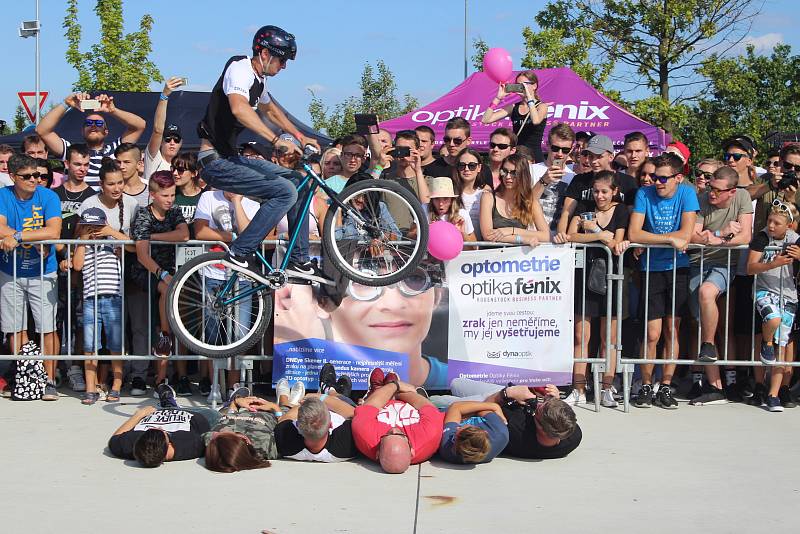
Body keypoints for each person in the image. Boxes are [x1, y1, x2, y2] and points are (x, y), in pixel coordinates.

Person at [195, 25, 323, 281]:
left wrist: (300, 136)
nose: (284, 67)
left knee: (299, 182)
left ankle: (298, 259)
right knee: (285, 191)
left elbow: (272, 111)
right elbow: (240, 110)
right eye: (282, 59)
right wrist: (276, 140)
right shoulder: (239, 69)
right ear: (264, 53)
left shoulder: (258, 80)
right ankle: (240, 251)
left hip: (231, 158)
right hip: (214, 162)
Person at [626, 153, 699, 409]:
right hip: (651, 269)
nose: (657, 182)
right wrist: (669, 240)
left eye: (663, 178)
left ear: (678, 178)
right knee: (652, 332)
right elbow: (634, 232)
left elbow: (687, 233)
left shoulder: (687, 193)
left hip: (678, 269)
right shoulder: (644, 194)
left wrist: (653, 239)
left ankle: (666, 385)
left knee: (672, 329)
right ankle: (646, 383)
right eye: (655, 177)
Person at [555, 171, 629, 407]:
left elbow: (615, 242)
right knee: (581, 336)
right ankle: (579, 388)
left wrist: (594, 230)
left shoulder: (622, 211)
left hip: (613, 277)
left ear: (614, 191)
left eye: (605, 191)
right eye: (596, 191)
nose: (599, 196)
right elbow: (570, 235)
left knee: (610, 338)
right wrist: (599, 235)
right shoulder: (584, 206)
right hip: (585, 276)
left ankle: (607, 388)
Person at [684, 166, 753, 406]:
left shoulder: (743, 197)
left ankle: (711, 347)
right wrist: (721, 233)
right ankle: (716, 386)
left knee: (707, 293)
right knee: (702, 321)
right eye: (710, 187)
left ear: (732, 192)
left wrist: (718, 240)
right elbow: (693, 235)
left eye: (717, 190)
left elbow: (746, 236)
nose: (710, 192)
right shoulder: (701, 198)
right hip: (697, 262)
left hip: (725, 264)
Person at [73, 159, 138, 404]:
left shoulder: (115, 234)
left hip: (115, 295)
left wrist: (111, 232)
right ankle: (91, 387)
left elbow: (134, 247)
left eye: (120, 182)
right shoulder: (84, 240)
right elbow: (77, 265)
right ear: (101, 185)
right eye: (111, 183)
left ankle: (116, 385)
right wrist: (83, 238)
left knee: (115, 342)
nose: (117, 187)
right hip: (90, 297)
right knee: (90, 344)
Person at [0, 154, 62, 400]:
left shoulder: (49, 196)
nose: (35, 180)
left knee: (47, 327)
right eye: (27, 176)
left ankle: (49, 381)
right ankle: (26, 377)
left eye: (37, 175)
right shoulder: (4, 195)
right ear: (13, 177)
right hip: (9, 271)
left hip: (43, 271)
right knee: (15, 329)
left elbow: (54, 230)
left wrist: (16, 237)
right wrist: (27, 235)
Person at [192, 187, 261, 395]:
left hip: (243, 276)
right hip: (213, 274)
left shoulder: (253, 204)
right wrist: (232, 236)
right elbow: (200, 231)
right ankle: (215, 385)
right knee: (214, 334)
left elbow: (251, 235)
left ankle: (232, 387)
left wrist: (238, 202)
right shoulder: (208, 197)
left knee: (239, 335)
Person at [431, 378, 582, 460]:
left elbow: (484, 406)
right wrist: (554, 398)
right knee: (458, 383)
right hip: (501, 403)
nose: (539, 404)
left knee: (444, 398)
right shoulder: (572, 437)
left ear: (541, 428)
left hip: (488, 402)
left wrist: (507, 393)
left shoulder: (514, 429)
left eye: (538, 409)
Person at [130, 171, 189, 377]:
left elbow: (184, 234)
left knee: (171, 299)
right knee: (143, 325)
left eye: (173, 195)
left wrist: (152, 236)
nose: (170, 200)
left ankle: (164, 376)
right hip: (145, 272)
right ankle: (164, 336)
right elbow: (141, 255)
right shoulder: (143, 214)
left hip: (169, 270)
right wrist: (161, 273)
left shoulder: (174, 211)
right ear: (153, 195)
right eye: (165, 196)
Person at [747, 201, 800, 412]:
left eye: (776, 223)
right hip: (764, 291)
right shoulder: (761, 237)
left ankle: (773, 395)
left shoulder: (796, 241)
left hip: (788, 296)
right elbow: (750, 268)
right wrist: (772, 263)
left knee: (783, 344)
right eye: (769, 220)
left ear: (789, 225)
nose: (770, 226)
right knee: (773, 319)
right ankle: (766, 343)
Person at [36, 93, 146, 189]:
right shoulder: (73, 152)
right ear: (82, 131)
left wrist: (113, 110)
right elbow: (42, 130)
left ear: (106, 131)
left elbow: (140, 125)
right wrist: (66, 104)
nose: (93, 126)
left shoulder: (116, 151)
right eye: (88, 123)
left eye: (99, 124)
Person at [351, 369, 444, 474]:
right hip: (408, 401)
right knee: (424, 403)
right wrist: (400, 392)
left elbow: (371, 406)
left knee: (362, 408)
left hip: (380, 402)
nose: (394, 429)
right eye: (400, 435)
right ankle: (389, 389)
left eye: (388, 434)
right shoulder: (429, 437)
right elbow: (426, 406)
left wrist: (394, 386)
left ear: (377, 453)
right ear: (412, 451)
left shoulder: (366, 437)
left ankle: (377, 390)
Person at [107, 384, 217, 467]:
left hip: (155, 413)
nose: (160, 427)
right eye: (162, 432)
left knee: (164, 408)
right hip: (191, 415)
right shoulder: (190, 445)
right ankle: (171, 404)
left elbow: (115, 438)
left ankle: (168, 403)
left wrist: (139, 414)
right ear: (168, 445)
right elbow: (210, 433)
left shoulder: (127, 445)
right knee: (213, 414)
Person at [558, 134, 638, 234]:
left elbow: (632, 217)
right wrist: (561, 233)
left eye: (599, 156)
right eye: (591, 156)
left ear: (611, 157)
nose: (594, 161)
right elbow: (566, 212)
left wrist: (626, 240)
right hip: (583, 243)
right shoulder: (579, 180)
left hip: (616, 243)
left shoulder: (628, 182)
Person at [479, 154, 550, 247]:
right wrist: (521, 239)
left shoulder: (530, 201)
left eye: (514, 173)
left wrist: (511, 230)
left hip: (517, 259)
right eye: (504, 171)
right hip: (491, 258)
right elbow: (488, 235)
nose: (508, 177)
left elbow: (546, 236)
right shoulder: (488, 197)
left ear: (523, 175)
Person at [203, 387, 278, 472]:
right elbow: (286, 424)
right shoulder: (264, 444)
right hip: (269, 412)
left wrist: (235, 402)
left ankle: (234, 400)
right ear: (245, 440)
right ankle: (284, 396)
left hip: (235, 411)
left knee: (219, 416)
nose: (216, 433)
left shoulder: (211, 440)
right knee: (287, 404)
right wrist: (275, 408)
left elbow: (227, 420)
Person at [482, 70, 549, 162]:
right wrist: (498, 98)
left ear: (534, 86)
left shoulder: (542, 106)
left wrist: (529, 98)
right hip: (517, 157)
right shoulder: (513, 107)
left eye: (524, 84)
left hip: (534, 157)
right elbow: (486, 119)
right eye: (518, 85)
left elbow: (536, 121)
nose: (521, 88)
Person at [274, 394, 358, 463]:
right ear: (330, 425)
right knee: (337, 397)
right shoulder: (348, 444)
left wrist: (303, 406)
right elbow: (355, 413)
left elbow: (286, 418)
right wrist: (321, 397)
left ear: (298, 426)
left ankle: (285, 398)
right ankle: (332, 390)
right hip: (339, 404)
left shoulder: (285, 442)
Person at [531, 123, 577, 231]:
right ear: (547, 145)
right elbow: (524, 203)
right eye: (555, 148)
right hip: (532, 238)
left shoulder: (573, 177)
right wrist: (543, 181)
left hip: (559, 241)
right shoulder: (530, 170)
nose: (560, 154)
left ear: (571, 149)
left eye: (565, 150)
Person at [438, 400, 509, 464]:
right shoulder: (500, 434)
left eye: (456, 432)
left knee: (442, 399)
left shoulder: (448, 448)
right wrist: (495, 406)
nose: (457, 427)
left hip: (447, 408)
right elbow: (486, 409)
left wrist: (494, 406)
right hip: (482, 401)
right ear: (485, 432)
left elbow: (455, 407)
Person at [144, 77, 185, 181]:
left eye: (176, 140)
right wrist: (164, 95)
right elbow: (158, 130)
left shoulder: (185, 166)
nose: (172, 142)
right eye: (168, 139)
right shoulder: (153, 158)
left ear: (181, 143)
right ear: (161, 142)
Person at [452, 148, 492, 240]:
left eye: (472, 165)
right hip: (456, 246)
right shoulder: (451, 193)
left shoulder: (485, 193)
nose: (466, 169)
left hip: (482, 249)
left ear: (479, 168)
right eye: (462, 165)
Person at [425, 177, 476, 242]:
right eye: (436, 198)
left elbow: (475, 247)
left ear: (452, 200)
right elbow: (410, 236)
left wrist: (462, 232)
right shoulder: (425, 209)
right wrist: (426, 231)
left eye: (445, 198)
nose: (441, 203)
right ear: (432, 200)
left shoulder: (462, 214)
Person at [171, 151, 203, 224]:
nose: (174, 173)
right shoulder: (169, 195)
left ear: (194, 173)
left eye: (180, 170)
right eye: (173, 168)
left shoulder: (205, 197)